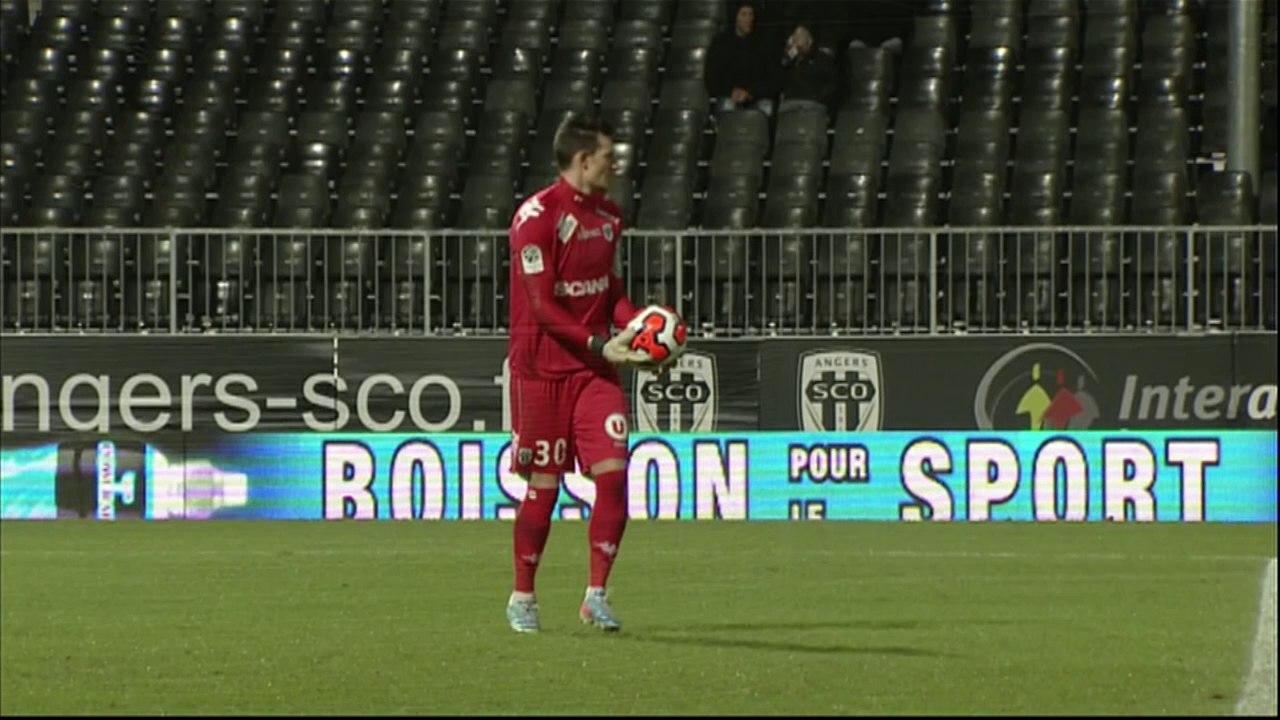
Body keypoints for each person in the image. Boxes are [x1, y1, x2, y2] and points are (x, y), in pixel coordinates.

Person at [504, 112, 665, 635]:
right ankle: (523, 597)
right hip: (543, 371)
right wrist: (603, 342)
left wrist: (638, 326)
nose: (614, 164)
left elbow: (607, 288)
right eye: (607, 156)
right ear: (582, 160)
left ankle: (597, 595)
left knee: (615, 476)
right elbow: (544, 305)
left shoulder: (610, 216)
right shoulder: (536, 219)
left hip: (595, 372)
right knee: (544, 489)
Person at [705, 1, 777, 116]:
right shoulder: (721, 43)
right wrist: (731, 91)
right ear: (736, 17)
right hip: (730, 95)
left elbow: (772, 79)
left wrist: (751, 93)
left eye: (751, 14)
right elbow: (711, 79)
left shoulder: (763, 43)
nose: (749, 19)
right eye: (744, 14)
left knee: (766, 108)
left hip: (755, 96)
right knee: (727, 105)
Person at [778, 24, 840, 114]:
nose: (799, 49)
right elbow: (780, 72)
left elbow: (833, 83)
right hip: (790, 101)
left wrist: (817, 96)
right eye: (795, 43)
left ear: (809, 43)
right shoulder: (791, 58)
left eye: (801, 47)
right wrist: (790, 53)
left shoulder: (822, 59)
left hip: (813, 102)